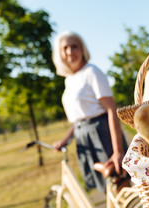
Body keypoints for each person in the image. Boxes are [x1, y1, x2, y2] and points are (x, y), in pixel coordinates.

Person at [52, 31, 128, 192]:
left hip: (101, 133)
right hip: (82, 138)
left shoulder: (92, 72)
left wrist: (118, 151)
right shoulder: (69, 80)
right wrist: (65, 139)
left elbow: (111, 110)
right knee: (105, 191)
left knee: (119, 188)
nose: (70, 52)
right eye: (65, 48)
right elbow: (79, 118)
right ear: (59, 53)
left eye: (75, 47)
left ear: (82, 49)